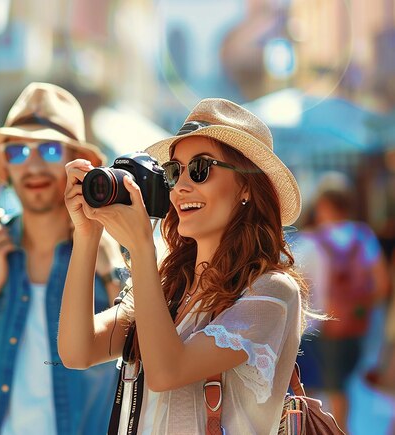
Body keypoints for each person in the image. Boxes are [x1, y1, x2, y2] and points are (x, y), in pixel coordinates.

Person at [59, 98, 312, 434]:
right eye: (173, 171)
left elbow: (167, 372)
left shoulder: (272, 292)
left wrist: (140, 248)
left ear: (246, 187)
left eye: (201, 169)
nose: (180, 187)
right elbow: (78, 352)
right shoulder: (167, 285)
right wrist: (86, 235)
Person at [0, 82, 121, 435]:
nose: (31, 165)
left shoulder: (114, 253)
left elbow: (149, 366)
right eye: (17, 151)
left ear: (77, 164)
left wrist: (114, 271)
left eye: (48, 149)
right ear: (5, 165)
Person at [295, 172, 390, 431]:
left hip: (318, 329)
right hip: (355, 327)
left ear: (323, 205)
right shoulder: (363, 236)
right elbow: (382, 285)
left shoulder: (309, 242)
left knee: (317, 391)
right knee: (341, 388)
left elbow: (294, 286)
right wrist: (356, 308)